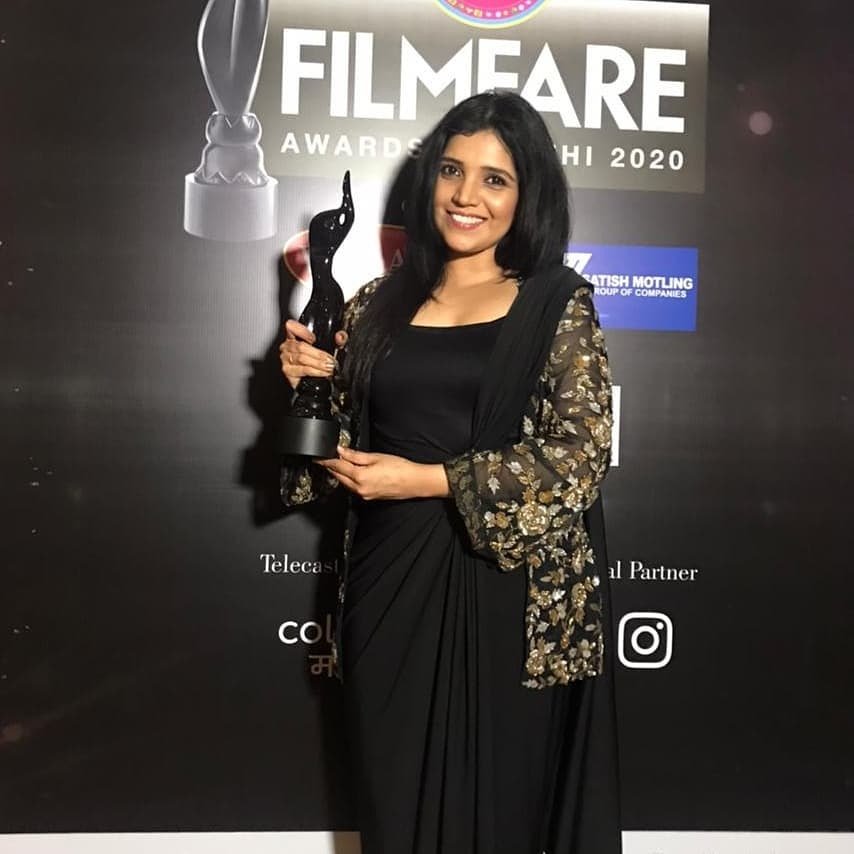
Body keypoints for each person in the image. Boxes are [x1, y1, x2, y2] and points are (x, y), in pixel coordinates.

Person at [279, 91, 621, 854]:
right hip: (386, 587)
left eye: (495, 179)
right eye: (451, 170)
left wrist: (430, 480)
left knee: (497, 814)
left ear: (528, 194)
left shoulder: (555, 304)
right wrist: (309, 386)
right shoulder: (374, 304)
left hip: (507, 597)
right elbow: (328, 458)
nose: (466, 196)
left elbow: (580, 455)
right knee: (393, 812)